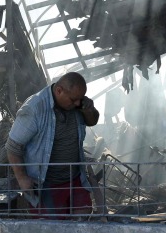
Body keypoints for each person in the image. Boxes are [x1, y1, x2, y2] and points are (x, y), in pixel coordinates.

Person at [6, 72, 100, 218]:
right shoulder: (34, 108)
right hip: (46, 185)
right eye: (73, 99)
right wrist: (22, 178)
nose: (77, 104)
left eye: (80, 99)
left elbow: (92, 121)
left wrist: (89, 109)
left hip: (75, 179)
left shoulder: (78, 104)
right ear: (59, 91)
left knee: (83, 224)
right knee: (53, 231)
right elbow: (13, 146)